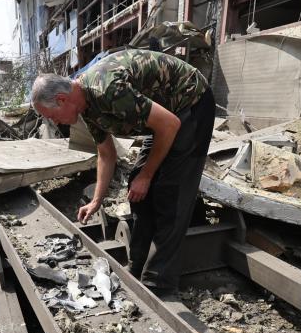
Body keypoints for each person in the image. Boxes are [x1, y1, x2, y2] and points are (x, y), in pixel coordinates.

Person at [31, 49, 215, 294]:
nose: (55, 123)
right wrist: (96, 201)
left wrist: (147, 176)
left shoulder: (106, 90)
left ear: (62, 100)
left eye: (52, 116)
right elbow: (106, 154)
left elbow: (170, 125)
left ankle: (159, 282)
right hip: (164, 118)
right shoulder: (87, 107)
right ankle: (137, 266)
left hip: (191, 104)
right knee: (137, 189)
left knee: (170, 192)